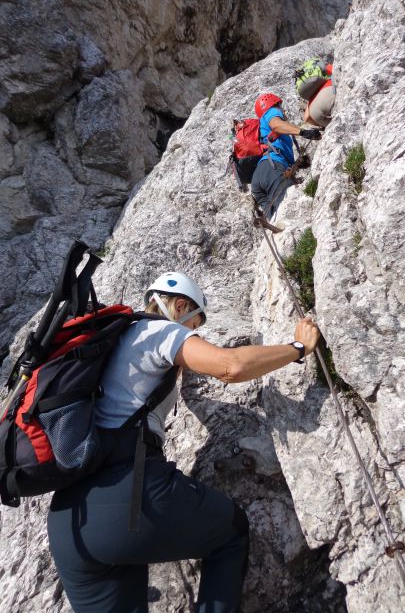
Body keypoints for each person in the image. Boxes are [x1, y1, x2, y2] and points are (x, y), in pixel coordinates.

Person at [47, 271, 321, 613]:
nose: (193, 335)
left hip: (69, 524)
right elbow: (231, 366)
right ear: (179, 306)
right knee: (230, 533)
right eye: (194, 326)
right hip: (124, 497)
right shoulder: (159, 330)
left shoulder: (110, 344)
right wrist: (297, 348)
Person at [251, 93, 321, 220]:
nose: (284, 110)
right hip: (272, 169)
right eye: (281, 107)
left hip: (260, 176)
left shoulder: (263, 125)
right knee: (289, 209)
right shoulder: (271, 112)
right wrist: (303, 132)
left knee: (276, 219)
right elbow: (277, 125)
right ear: (274, 105)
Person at [303, 63, 335, 127]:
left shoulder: (310, 95)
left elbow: (306, 118)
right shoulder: (329, 67)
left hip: (314, 112)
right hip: (329, 92)